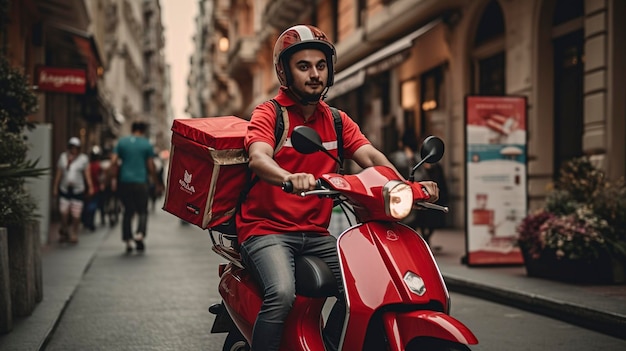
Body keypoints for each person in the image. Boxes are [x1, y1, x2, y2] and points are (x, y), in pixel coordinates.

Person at [235, 24, 440, 351]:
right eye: (303, 66)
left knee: (368, 287)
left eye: (320, 66)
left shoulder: (336, 119)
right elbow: (259, 157)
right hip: (266, 230)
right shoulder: (269, 113)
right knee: (282, 293)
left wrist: (405, 185)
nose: (314, 74)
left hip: (316, 232)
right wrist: (287, 176)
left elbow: (370, 155)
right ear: (284, 72)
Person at [109, 121, 161, 254]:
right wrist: (155, 182)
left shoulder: (122, 142)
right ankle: (139, 234)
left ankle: (128, 241)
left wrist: (114, 178)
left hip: (125, 181)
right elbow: (150, 165)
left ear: (132, 129)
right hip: (140, 182)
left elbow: (114, 161)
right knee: (142, 210)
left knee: (128, 211)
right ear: (142, 131)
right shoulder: (146, 144)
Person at [52, 137, 94, 244]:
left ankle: (74, 233)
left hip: (78, 190)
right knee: (63, 212)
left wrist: (90, 186)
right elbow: (59, 173)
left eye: (76, 148)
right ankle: (64, 229)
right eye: (72, 147)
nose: (74, 150)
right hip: (65, 189)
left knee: (76, 215)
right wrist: (55, 187)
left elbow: (87, 174)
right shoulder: (63, 157)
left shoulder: (83, 159)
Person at [81, 146, 106, 231]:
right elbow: (100, 177)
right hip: (95, 188)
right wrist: (101, 184)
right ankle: (90, 222)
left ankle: (87, 222)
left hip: (87, 188)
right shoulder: (98, 166)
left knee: (88, 205)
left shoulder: (89, 165)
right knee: (93, 205)